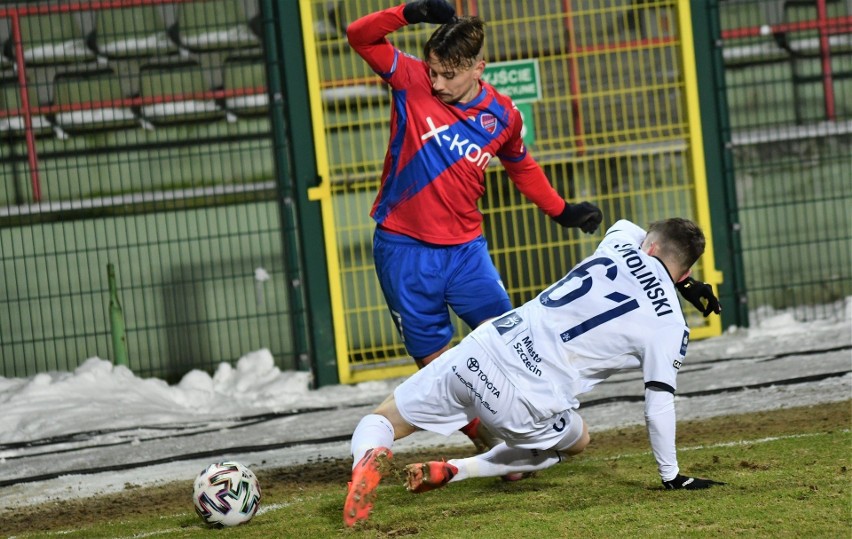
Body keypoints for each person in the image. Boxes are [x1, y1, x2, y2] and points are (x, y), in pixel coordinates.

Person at [343, 217, 725, 527]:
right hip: (525, 402)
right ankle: (458, 470)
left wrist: (682, 279)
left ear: (651, 246)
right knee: (577, 440)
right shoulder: (671, 325)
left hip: (482, 349)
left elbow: (640, 233)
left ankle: (368, 457)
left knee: (385, 418)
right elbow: (658, 405)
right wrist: (671, 475)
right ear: (684, 270)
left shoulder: (621, 240)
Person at [346, 0, 604, 457]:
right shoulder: (409, 78)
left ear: (478, 68)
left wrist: (561, 210)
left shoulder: (503, 115)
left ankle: (535, 431)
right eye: (433, 72)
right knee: (438, 366)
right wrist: (409, 11)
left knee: (509, 346)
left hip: (467, 252)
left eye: (449, 74)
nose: (438, 83)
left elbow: (521, 167)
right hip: (403, 251)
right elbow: (359, 35)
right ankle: (499, 448)